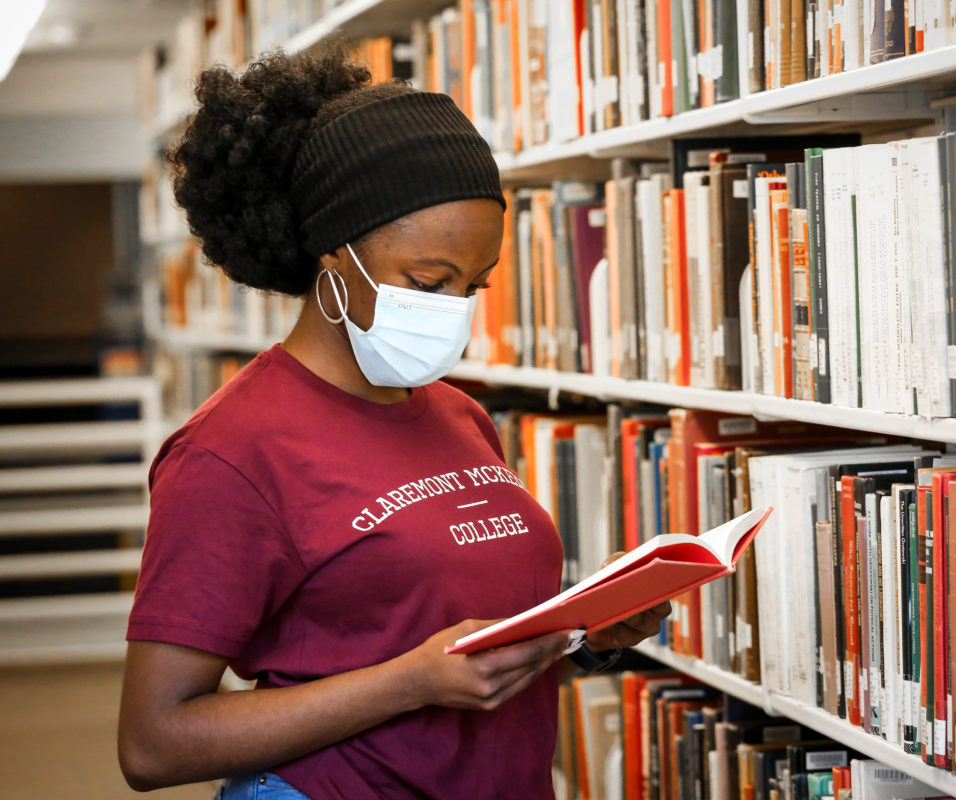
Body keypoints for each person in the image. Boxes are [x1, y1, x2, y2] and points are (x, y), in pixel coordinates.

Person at [118, 45, 670, 800]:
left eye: (473, 285)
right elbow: (152, 744)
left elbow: (449, 636)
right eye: (428, 282)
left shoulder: (459, 413)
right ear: (332, 258)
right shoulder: (229, 454)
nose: (453, 312)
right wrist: (409, 685)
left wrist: (582, 638)